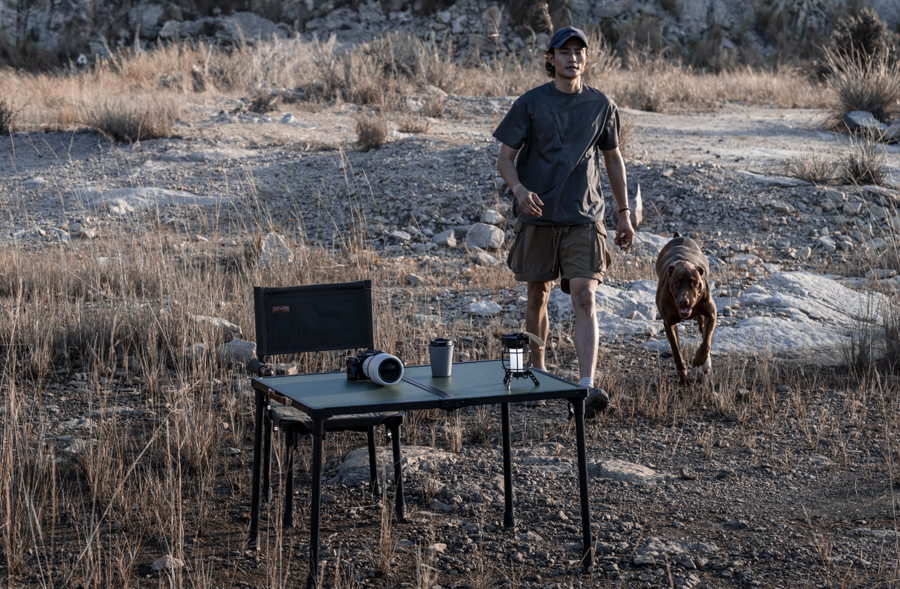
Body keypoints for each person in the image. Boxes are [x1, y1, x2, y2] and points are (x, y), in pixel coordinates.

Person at [493, 25, 634, 417]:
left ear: (586, 59)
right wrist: (520, 192)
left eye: (580, 51)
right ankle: (535, 373)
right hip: (537, 216)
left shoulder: (601, 105)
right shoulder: (530, 103)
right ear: (550, 58)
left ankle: (586, 387)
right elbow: (505, 158)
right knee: (537, 295)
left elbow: (613, 159)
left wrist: (624, 214)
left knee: (584, 296)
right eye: (565, 51)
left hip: (584, 216)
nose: (573, 57)